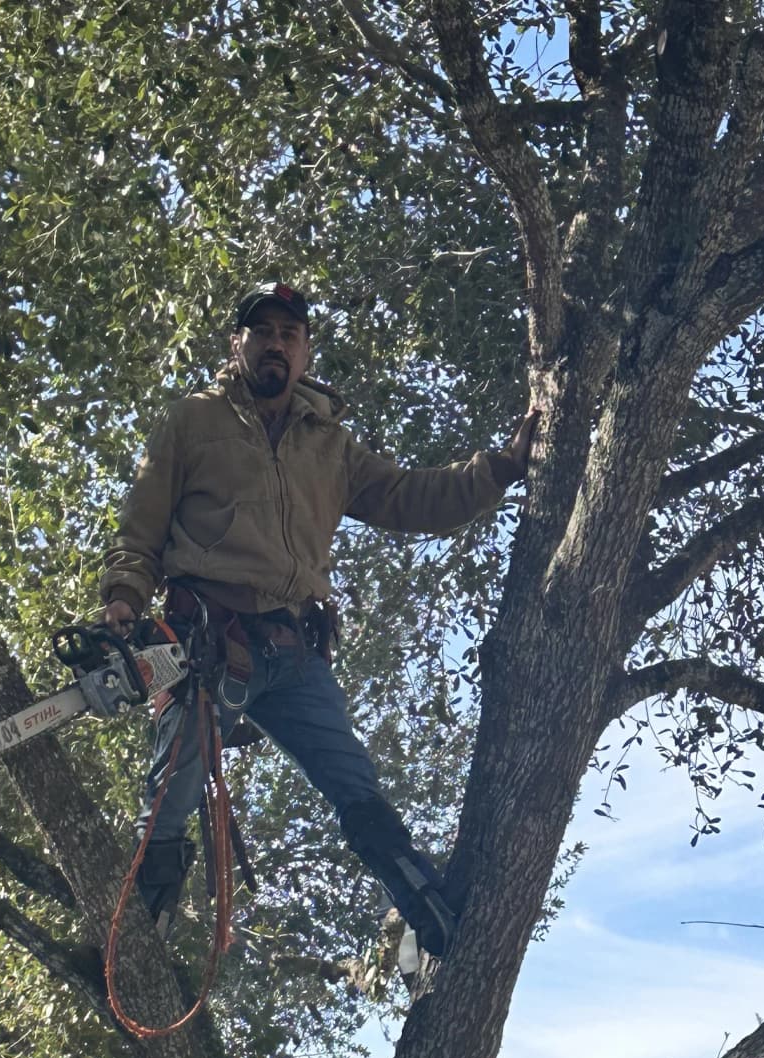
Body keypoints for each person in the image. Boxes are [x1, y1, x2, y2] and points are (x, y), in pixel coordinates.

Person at [100, 280, 537, 962]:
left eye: (290, 334)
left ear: (305, 354)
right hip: (207, 644)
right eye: (262, 331)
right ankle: (136, 949)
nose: (276, 342)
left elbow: (406, 498)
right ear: (237, 344)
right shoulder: (191, 421)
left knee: (352, 781)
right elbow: (141, 527)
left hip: (292, 649)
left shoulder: (330, 446)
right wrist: (125, 596)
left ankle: (427, 904)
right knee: (170, 796)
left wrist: (501, 468)